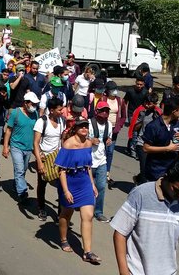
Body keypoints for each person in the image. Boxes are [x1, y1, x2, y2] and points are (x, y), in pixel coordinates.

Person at [111, 159, 179, 275]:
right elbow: (120, 233)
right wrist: (124, 271)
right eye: (177, 190)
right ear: (166, 177)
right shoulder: (141, 194)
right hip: (137, 271)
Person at [55, 118, 101, 263]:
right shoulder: (68, 145)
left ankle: (87, 252)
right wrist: (66, 191)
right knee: (66, 213)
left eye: (86, 127)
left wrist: (92, 184)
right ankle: (63, 239)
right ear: (75, 129)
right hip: (69, 183)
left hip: (84, 182)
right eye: (81, 127)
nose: (84, 129)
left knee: (88, 215)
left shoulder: (88, 143)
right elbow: (61, 170)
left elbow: (88, 166)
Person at [3, 91, 40, 204]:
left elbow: (36, 133)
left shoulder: (35, 114)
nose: (34, 106)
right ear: (25, 103)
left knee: (23, 170)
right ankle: (22, 192)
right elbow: (8, 130)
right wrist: (5, 147)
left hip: (28, 148)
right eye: (32, 104)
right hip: (16, 146)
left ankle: (17, 184)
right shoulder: (16, 113)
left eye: (35, 104)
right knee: (19, 169)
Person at [33, 97, 66, 221]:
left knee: (61, 186)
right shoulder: (41, 122)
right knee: (42, 183)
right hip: (44, 158)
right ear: (51, 110)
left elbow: (62, 140)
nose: (62, 112)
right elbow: (35, 143)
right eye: (59, 109)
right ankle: (41, 208)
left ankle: (60, 213)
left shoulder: (62, 121)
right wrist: (39, 162)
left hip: (57, 157)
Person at [142, 98, 179, 183]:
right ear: (174, 111)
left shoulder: (178, 124)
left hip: (172, 168)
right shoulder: (154, 126)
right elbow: (146, 148)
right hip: (155, 170)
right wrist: (167, 148)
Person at [127, 92, 162, 185]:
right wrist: (141, 120)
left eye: (151, 103)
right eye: (147, 102)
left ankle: (138, 178)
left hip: (154, 145)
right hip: (141, 143)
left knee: (150, 167)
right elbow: (134, 127)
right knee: (144, 167)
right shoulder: (141, 111)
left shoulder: (159, 112)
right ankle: (142, 187)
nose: (148, 105)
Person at [89, 101, 113, 224]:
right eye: (102, 110)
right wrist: (90, 141)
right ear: (96, 112)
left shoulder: (109, 125)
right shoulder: (88, 124)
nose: (105, 113)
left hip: (101, 161)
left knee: (101, 187)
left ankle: (98, 212)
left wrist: (109, 141)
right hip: (88, 162)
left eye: (107, 111)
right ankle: (84, 207)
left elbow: (109, 139)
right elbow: (80, 141)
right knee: (86, 188)